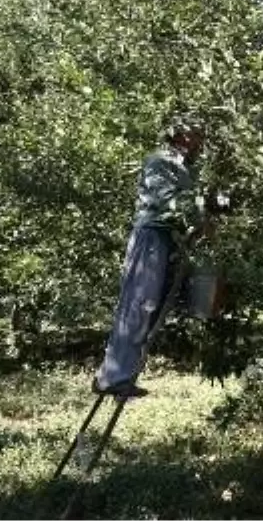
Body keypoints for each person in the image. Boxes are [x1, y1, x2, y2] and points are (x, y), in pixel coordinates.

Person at [92, 115, 213, 398]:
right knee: (138, 303)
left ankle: (119, 373)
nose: (200, 141)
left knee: (150, 306)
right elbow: (168, 201)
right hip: (152, 237)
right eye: (196, 135)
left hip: (169, 239)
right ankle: (112, 378)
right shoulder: (159, 161)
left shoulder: (185, 166)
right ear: (182, 136)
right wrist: (201, 206)